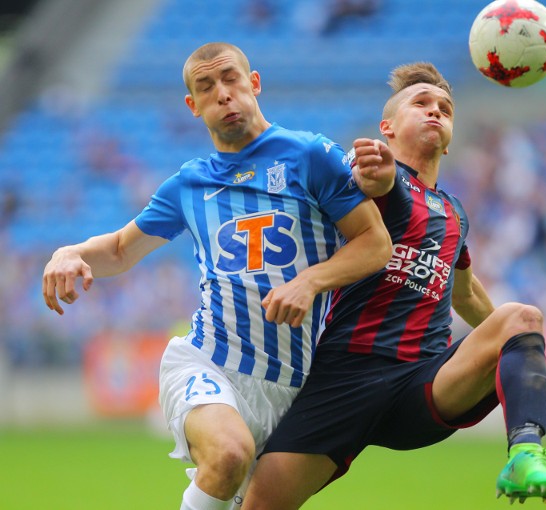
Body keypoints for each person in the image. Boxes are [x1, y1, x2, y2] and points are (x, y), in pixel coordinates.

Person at [41, 42, 391, 510]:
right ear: (193, 106)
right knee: (228, 454)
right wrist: (69, 251)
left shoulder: (310, 156)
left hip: (291, 387)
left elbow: (375, 243)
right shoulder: (190, 183)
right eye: (206, 87)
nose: (222, 93)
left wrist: (311, 280)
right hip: (208, 363)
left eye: (230, 79)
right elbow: (121, 250)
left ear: (255, 84)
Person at [241, 62, 546, 509]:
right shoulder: (376, 184)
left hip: (424, 382)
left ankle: (525, 451)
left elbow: (466, 293)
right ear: (387, 128)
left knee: (522, 317)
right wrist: (373, 173)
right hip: (344, 376)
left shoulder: (455, 213)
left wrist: (513, 346)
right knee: (258, 505)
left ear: (452, 137)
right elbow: (378, 181)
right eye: (421, 104)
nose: (436, 112)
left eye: (445, 109)